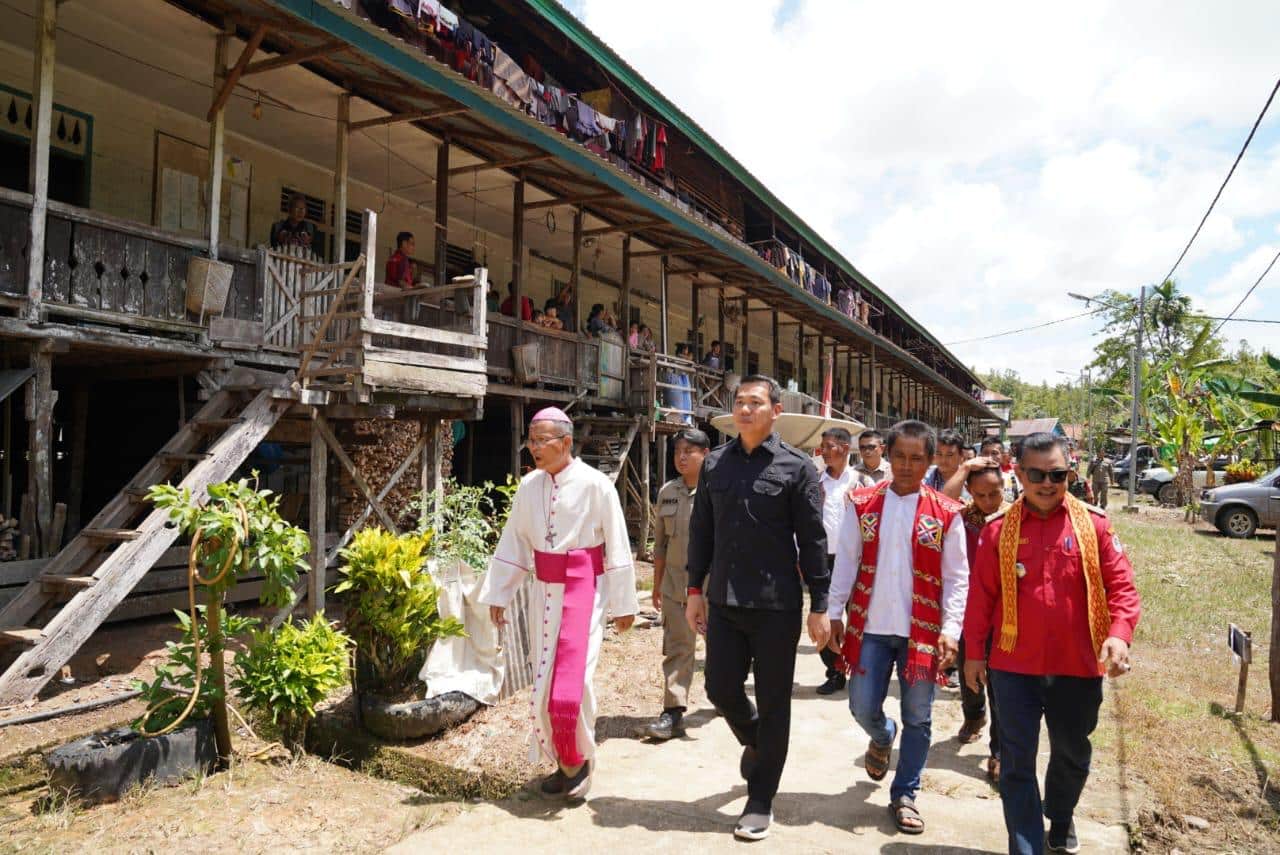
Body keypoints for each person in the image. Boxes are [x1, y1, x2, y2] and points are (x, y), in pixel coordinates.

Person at [964, 432, 1141, 855]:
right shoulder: (997, 532)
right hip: (1012, 668)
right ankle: (1026, 847)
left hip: (1076, 667)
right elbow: (981, 599)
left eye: (1057, 474)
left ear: (1069, 473)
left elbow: (1122, 588)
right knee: (1016, 764)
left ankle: (1060, 815)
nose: (1047, 483)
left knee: (1072, 754)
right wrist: (973, 653)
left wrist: (1118, 635)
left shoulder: (1094, 526)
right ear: (1019, 473)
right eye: (1038, 474)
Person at [686, 375, 830, 841]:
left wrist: (820, 604)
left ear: (775, 411)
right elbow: (702, 531)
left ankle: (760, 799)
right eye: (740, 403)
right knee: (719, 686)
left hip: (776, 605)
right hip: (724, 599)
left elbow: (812, 540)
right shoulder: (715, 465)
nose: (746, 410)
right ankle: (756, 741)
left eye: (755, 402)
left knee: (775, 703)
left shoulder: (797, 468)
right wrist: (693, 589)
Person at [479, 407, 637, 802]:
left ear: (565, 442)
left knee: (575, 683)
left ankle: (580, 760)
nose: (534, 447)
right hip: (542, 591)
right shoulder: (528, 486)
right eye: (531, 440)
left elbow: (617, 543)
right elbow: (514, 542)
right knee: (544, 682)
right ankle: (564, 761)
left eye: (541, 440)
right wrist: (500, 592)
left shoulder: (596, 485)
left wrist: (624, 603)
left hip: (585, 588)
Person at [826, 419, 968, 835]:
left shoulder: (946, 513)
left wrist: (952, 628)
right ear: (887, 455)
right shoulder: (863, 502)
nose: (907, 465)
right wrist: (834, 610)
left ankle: (905, 794)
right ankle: (883, 735)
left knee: (919, 716)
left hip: (922, 634)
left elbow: (958, 577)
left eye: (917, 458)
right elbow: (847, 560)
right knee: (861, 705)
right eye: (900, 456)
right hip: (869, 627)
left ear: (930, 462)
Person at [640, 428, 712, 741]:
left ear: (705, 454)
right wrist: (656, 585)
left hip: (712, 589)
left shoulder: (718, 492)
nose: (681, 457)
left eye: (689, 451)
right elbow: (661, 546)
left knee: (722, 650)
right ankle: (673, 713)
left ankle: (726, 695)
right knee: (677, 649)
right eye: (677, 451)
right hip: (674, 587)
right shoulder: (667, 492)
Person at [956, 464, 1009, 784]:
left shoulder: (1016, 517)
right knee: (969, 671)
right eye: (980, 495)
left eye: (994, 493)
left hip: (1007, 612)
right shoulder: (963, 518)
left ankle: (999, 751)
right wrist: (962, 468)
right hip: (968, 609)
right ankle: (973, 715)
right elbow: (938, 504)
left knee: (1001, 685)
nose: (988, 500)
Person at [815, 427, 858, 696]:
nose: (825, 451)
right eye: (823, 446)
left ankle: (857, 668)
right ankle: (834, 670)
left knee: (856, 617)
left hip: (856, 560)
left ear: (845, 448)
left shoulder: (861, 482)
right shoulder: (816, 482)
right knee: (824, 617)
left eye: (830, 446)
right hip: (823, 559)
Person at [925, 429, 968, 499]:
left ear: (961, 455)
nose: (943, 460)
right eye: (939, 454)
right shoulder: (924, 478)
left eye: (949, 455)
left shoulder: (971, 480)